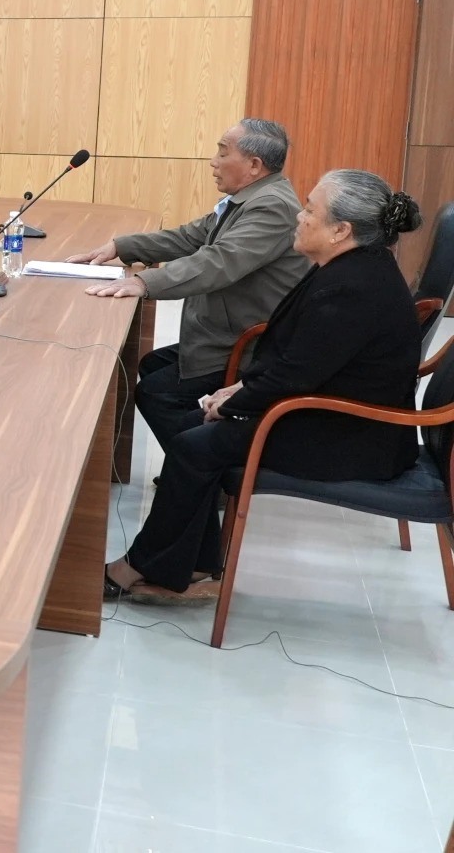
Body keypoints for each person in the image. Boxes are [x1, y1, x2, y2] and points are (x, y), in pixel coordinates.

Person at [103, 172, 423, 605]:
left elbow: (297, 374)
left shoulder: (352, 288)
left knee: (194, 445)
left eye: (310, 210)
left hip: (350, 435)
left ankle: (144, 567)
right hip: (324, 411)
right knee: (190, 436)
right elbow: (294, 359)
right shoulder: (352, 267)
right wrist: (239, 388)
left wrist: (234, 403)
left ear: (340, 231)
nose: (299, 216)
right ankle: (186, 566)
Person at [67, 121, 307, 451]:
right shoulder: (251, 198)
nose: (213, 162)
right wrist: (121, 247)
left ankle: (204, 463)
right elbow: (189, 237)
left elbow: (218, 261)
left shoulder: (271, 207)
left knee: (157, 394)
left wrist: (143, 282)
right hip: (222, 332)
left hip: (245, 344)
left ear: (254, 165)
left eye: (223, 153)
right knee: (151, 366)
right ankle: (196, 457)